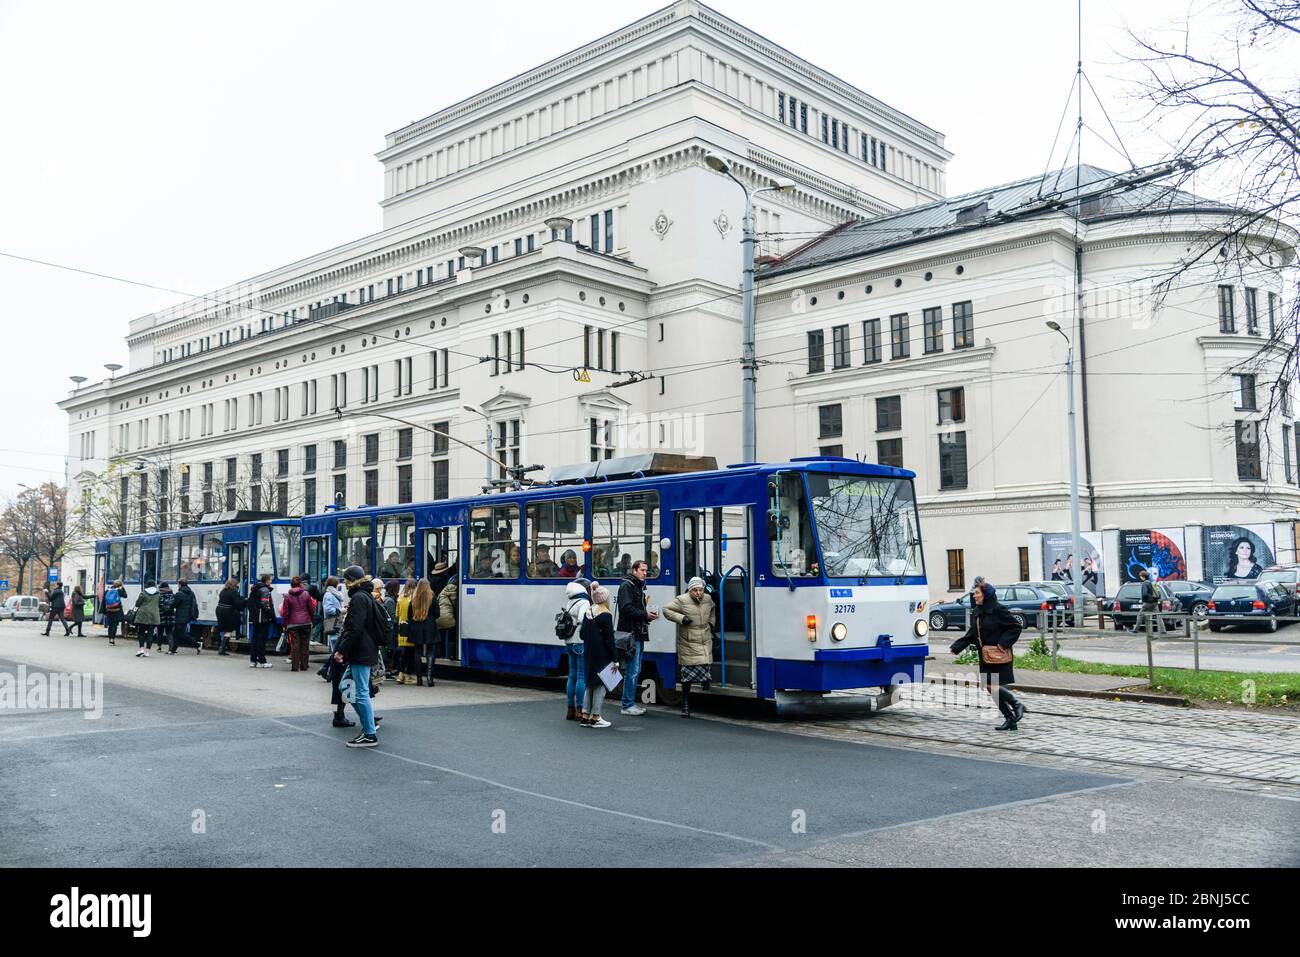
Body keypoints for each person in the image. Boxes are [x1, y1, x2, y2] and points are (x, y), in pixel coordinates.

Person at [949, 582, 1027, 730]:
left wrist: (1003, 643)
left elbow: (1016, 627)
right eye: (974, 593)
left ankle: (1017, 704)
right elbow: (973, 633)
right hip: (985, 657)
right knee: (990, 687)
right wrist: (957, 646)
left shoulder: (998, 609)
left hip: (998, 655)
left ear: (986, 595)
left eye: (977, 593)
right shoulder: (978, 611)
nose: (974, 595)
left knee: (992, 685)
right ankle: (1010, 719)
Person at [334, 565, 382, 747]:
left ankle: (369, 733)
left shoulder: (359, 599)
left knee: (361, 692)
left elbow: (355, 628)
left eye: (346, 580)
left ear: (352, 581)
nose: (344, 583)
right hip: (363, 650)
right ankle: (369, 723)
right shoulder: (365, 596)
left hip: (361, 651)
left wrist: (341, 651)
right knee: (345, 687)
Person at [662, 576, 716, 718]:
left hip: (704, 638)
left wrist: (711, 623)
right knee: (687, 676)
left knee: (704, 665)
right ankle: (685, 705)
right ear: (690, 590)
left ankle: (705, 682)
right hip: (688, 641)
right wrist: (681, 619)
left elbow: (713, 611)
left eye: (701, 590)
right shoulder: (682, 600)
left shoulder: (708, 599)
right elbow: (666, 610)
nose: (699, 593)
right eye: (695, 590)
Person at [615, 559, 657, 716]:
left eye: (646, 571)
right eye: (642, 570)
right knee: (632, 670)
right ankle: (627, 705)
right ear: (634, 570)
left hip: (637, 632)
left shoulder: (637, 586)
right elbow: (626, 608)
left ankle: (629, 703)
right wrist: (644, 615)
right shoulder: (628, 586)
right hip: (631, 633)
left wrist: (646, 616)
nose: (645, 573)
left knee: (635, 669)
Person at [580, 584, 618, 728]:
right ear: (605, 599)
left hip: (589, 652)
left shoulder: (588, 612)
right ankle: (596, 717)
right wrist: (615, 659)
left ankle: (585, 716)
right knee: (601, 685)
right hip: (602, 655)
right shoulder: (606, 615)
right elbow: (610, 639)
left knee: (590, 684)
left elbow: (582, 634)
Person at [562, 578, 591, 720]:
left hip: (569, 642)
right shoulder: (584, 602)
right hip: (580, 642)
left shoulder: (570, 601)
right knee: (581, 676)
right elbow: (582, 620)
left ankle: (570, 709)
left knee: (572, 675)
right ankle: (580, 709)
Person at [279, 576, 317, 672]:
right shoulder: (306, 594)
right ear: (300, 584)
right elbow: (311, 609)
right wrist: (312, 620)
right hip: (306, 622)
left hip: (293, 623)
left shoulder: (287, 596)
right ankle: (304, 665)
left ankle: (295, 666)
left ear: (291, 585)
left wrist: (284, 624)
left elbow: (286, 612)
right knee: (305, 644)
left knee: (295, 645)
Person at [407, 578, 436, 687]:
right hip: (430, 627)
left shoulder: (413, 598)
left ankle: (419, 679)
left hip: (416, 627)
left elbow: (409, 615)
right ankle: (429, 678)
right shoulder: (432, 597)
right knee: (430, 653)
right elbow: (437, 613)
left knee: (417, 653)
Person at [248, 573, 276, 668]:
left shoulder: (254, 589)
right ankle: (262, 660)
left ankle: (253, 660)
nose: (271, 581)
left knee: (255, 638)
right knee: (262, 639)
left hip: (255, 617)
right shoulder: (265, 590)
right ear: (267, 580)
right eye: (270, 579)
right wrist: (272, 615)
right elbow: (265, 605)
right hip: (263, 618)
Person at [1130, 568, 1167, 636]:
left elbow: (1144, 594)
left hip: (1148, 603)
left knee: (1140, 615)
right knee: (1158, 616)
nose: (1140, 578)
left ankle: (1135, 630)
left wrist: (1144, 599)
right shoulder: (1151, 583)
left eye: (1140, 576)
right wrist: (1153, 598)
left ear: (1143, 577)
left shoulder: (1145, 584)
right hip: (1155, 602)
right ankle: (1163, 630)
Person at [395, 578, 418, 683]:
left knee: (404, 653)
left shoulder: (400, 598)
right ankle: (408, 676)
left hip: (402, 628)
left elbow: (397, 614)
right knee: (411, 654)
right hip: (411, 628)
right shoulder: (414, 598)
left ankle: (401, 675)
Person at [215, 578, 243, 656]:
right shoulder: (233, 592)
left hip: (219, 610)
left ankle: (221, 647)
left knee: (222, 629)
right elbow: (237, 603)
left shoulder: (223, 591)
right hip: (227, 612)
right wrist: (244, 601)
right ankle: (222, 649)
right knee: (229, 630)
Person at [170, 579, 198, 654]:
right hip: (188, 616)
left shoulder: (179, 594)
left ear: (180, 584)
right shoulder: (191, 593)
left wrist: (170, 605)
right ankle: (173, 650)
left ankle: (197, 644)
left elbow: (174, 604)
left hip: (180, 616)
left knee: (181, 634)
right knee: (176, 633)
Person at [133, 580, 161, 658]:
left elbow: (137, 603)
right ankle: (147, 651)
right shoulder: (158, 594)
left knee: (141, 632)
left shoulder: (143, 593)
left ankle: (141, 648)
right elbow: (159, 603)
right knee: (150, 633)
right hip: (154, 615)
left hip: (143, 614)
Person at [435, 578, 457, 670]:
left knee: (440, 633)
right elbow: (456, 604)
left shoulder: (442, 591)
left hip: (438, 618)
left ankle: (439, 652)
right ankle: (452, 653)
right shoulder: (454, 590)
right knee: (454, 631)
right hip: (447, 618)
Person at [381, 580, 400, 680]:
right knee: (390, 648)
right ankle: (387, 670)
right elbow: (392, 617)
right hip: (392, 629)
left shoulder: (387, 599)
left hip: (390, 629)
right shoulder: (390, 601)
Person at [103, 580, 127, 646]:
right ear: (119, 585)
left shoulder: (107, 590)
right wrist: (123, 588)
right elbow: (125, 595)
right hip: (117, 610)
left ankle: (110, 639)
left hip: (109, 610)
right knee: (114, 625)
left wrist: (104, 611)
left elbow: (103, 600)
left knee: (110, 625)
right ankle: (112, 639)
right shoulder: (119, 590)